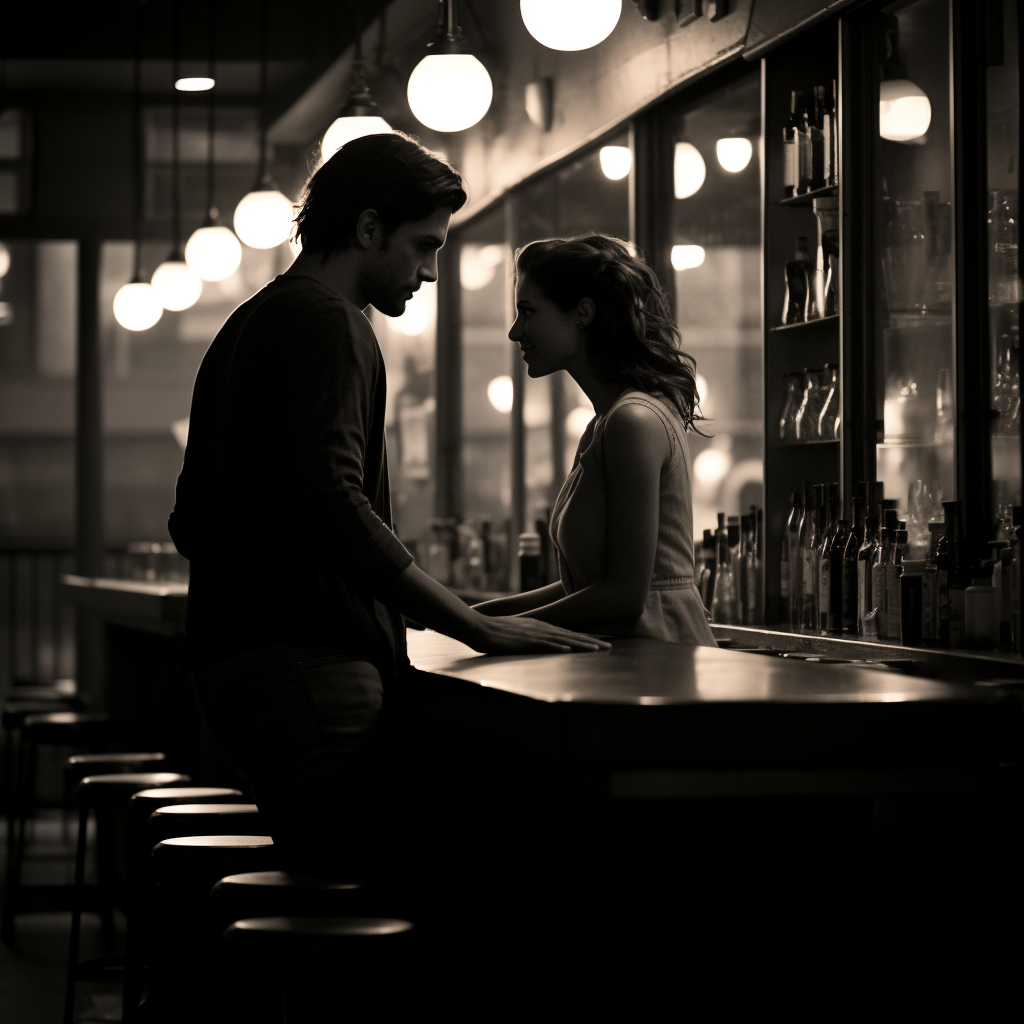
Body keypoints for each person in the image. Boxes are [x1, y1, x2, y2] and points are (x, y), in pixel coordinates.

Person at [167, 133, 607, 880]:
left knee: (324, 895)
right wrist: (469, 623)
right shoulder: (331, 322)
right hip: (309, 667)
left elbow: (188, 519)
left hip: (231, 659)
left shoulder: (249, 322)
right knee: (368, 903)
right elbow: (333, 502)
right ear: (368, 229)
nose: (431, 271)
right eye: (423, 246)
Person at [475, 234, 717, 647]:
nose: (516, 332)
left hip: (661, 667)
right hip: (636, 664)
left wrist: (488, 628)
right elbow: (585, 587)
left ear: (582, 313)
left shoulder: (632, 420)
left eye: (528, 312)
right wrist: (471, 617)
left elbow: (623, 596)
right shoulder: (607, 422)